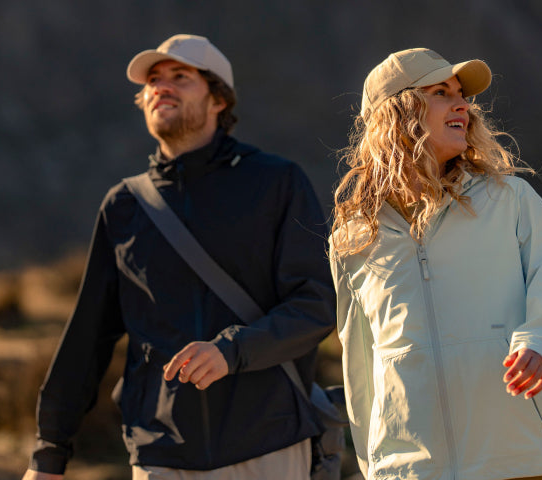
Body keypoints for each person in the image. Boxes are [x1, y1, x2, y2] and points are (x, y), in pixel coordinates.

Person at [22, 34, 336, 480]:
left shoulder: (276, 183)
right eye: (153, 80)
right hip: (160, 455)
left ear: (218, 100)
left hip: (266, 443)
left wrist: (233, 351)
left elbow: (316, 304)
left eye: (180, 76)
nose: (161, 87)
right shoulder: (124, 206)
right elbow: (87, 338)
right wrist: (49, 451)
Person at [329, 48, 542, 480]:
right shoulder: (354, 239)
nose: (463, 105)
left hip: (525, 461)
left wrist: (541, 342)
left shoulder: (509, 199)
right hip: (412, 470)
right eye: (441, 93)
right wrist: (377, 468)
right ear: (397, 113)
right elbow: (360, 366)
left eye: (462, 95)